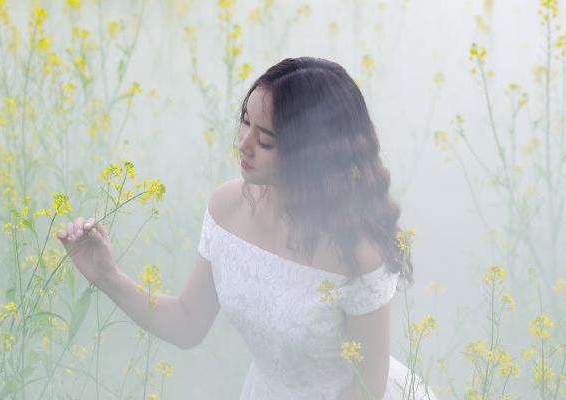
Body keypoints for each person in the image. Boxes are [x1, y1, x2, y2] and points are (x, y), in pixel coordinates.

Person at [57, 56, 438, 400]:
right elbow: (188, 323)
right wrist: (107, 275)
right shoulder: (227, 207)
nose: (244, 144)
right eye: (245, 122)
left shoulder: (355, 252)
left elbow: (367, 387)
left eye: (266, 141)